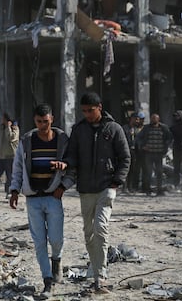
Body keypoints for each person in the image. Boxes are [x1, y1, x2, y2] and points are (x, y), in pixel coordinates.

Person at [64, 92, 130, 294]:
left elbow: (125, 157)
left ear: (99, 107)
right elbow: (72, 156)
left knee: (101, 228)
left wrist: (116, 182)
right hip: (85, 189)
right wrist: (66, 170)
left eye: (90, 110)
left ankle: (100, 276)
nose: (87, 114)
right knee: (89, 233)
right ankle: (94, 270)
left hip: (106, 188)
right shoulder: (79, 130)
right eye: (84, 111)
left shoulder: (114, 128)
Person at [9, 104, 73, 298]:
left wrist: (63, 186)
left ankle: (57, 260)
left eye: (46, 121)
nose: (43, 125)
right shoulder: (27, 140)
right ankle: (47, 280)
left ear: (52, 119)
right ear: (35, 121)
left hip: (54, 196)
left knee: (55, 239)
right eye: (39, 122)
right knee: (39, 242)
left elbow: (73, 168)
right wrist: (14, 190)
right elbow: (18, 167)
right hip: (33, 198)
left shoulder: (63, 140)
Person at [136, 113, 173, 196]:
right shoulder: (146, 128)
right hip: (149, 154)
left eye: (155, 119)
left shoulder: (163, 128)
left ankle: (159, 190)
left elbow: (169, 137)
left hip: (159, 154)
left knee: (159, 172)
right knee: (148, 172)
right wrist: (142, 146)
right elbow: (138, 138)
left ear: (158, 119)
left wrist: (166, 147)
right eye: (152, 118)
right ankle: (148, 190)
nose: (153, 120)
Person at [122, 111, 144, 193]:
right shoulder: (124, 128)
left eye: (138, 119)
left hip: (135, 152)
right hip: (126, 151)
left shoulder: (137, 130)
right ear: (132, 119)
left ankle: (130, 187)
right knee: (125, 169)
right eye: (136, 119)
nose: (137, 121)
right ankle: (124, 187)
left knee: (133, 170)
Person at [170, 110, 182, 189]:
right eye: (175, 116)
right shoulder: (173, 127)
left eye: (177, 116)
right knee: (176, 168)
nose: (176, 117)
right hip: (176, 148)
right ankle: (176, 184)